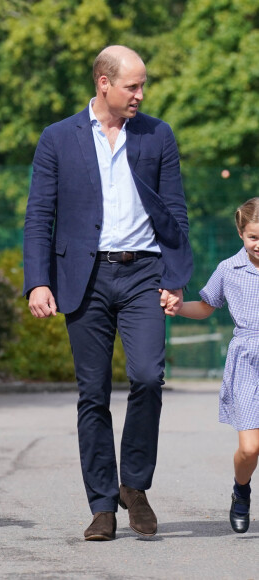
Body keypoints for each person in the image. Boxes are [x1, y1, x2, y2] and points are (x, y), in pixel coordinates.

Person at [23, 45, 193, 541]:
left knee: (146, 378)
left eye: (142, 86)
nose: (140, 94)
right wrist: (38, 280)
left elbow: (175, 211)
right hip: (85, 277)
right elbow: (39, 216)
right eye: (132, 86)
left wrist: (175, 277)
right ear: (103, 82)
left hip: (144, 273)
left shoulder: (157, 135)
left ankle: (134, 486)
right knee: (92, 394)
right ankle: (102, 504)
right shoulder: (57, 138)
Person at [177, 198, 259, 534]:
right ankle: (242, 491)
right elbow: (206, 306)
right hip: (246, 360)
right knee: (250, 448)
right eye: (254, 237)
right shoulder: (228, 269)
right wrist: (177, 306)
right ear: (241, 233)